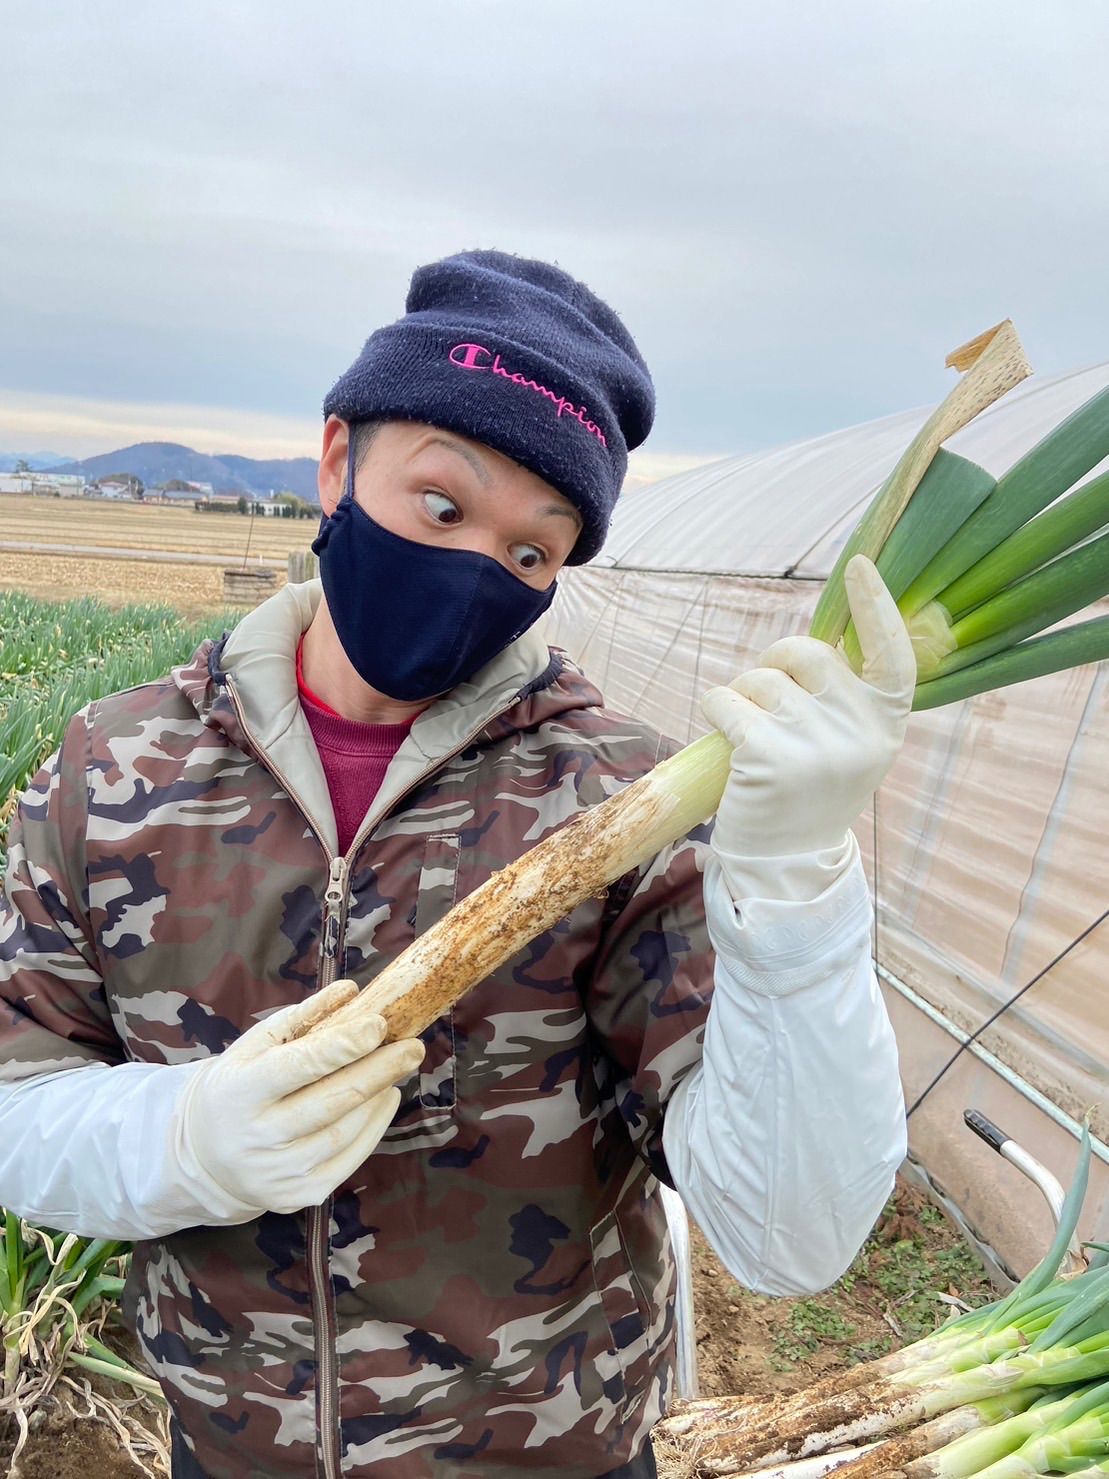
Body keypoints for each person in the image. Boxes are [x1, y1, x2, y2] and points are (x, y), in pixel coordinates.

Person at [0, 250, 913, 1479]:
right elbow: (17, 1098)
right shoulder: (117, 768)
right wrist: (179, 1140)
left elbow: (784, 1236)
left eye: (532, 552)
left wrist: (796, 887)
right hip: (228, 1452)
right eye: (441, 506)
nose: (480, 566)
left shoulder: (617, 800)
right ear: (335, 463)